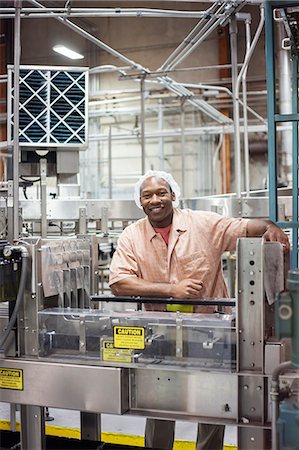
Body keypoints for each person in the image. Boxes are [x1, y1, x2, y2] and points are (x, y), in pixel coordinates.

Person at [109, 170, 290, 450]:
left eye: (161, 193)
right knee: (158, 406)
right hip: (160, 335)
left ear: (173, 195)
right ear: (140, 202)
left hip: (210, 333)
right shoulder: (132, 236)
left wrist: (269, 226)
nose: (155, 200)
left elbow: (243, 227)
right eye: (147, 195)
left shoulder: (203, 224)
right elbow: (119, 282)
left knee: (212, 404)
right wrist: (172, 289)